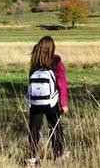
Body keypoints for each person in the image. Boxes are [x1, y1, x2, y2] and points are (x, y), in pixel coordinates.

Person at [25, 36, 68, 168]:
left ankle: (31, 159)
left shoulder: (35, 60)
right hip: (52, 101)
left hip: (36, 101)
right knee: (55, 127)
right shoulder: (56, 61)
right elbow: (61, 83)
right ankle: (58, 154)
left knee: (34, 128)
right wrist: (63, 103)